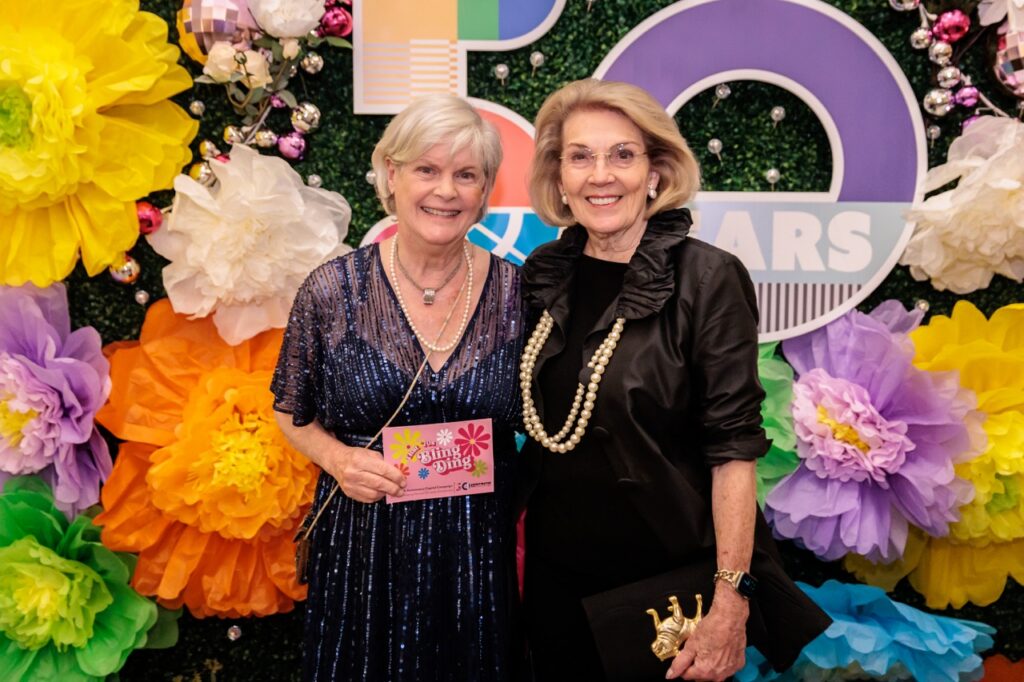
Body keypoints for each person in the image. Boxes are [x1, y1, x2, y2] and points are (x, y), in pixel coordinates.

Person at [519, 78, 831, 682]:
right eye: (580, 156)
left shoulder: (706, 277)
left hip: (662, 585)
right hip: (556, 580)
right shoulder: (544, 274)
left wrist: (731, 596)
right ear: (559, 178)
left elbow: (734, 451)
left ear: (656, 172)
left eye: (622, 155)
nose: (600, 175)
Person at [271, 93, 526, 681]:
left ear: (485, 189)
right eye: (427, 170)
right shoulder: (333, 291)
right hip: (364, 549)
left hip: (474, 553)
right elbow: (291, 410)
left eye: (466, 175)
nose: (446, 191)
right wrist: (338, 459)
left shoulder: (519, 294)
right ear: (392, 174)